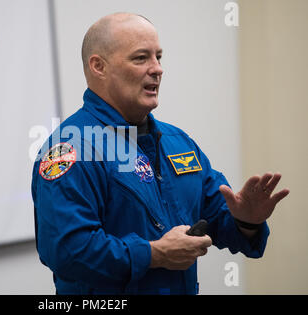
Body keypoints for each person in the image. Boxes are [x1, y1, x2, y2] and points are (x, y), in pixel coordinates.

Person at [31, 12, 289, 294]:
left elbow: (221, 221)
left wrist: (247, 221)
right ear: (98, 66)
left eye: (159, 57)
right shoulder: (71, 150)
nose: (157, 69)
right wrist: (154, 254)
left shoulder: (178, 142)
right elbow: (67, 251)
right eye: (141, 58)